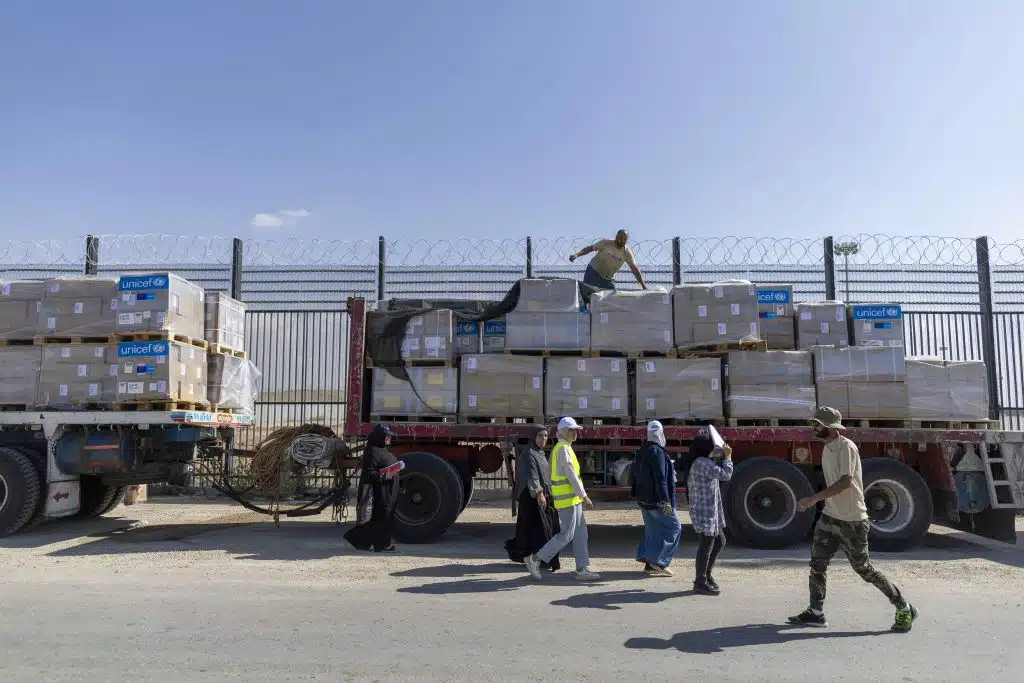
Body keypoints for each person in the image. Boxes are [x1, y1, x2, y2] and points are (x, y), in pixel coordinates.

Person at [788, 407, 918, 632]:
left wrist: (814, 499)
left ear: (828, 427)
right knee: (817, 565)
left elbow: (846, 482)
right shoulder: (827, 448)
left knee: (864, 569)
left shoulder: (846, 447)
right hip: (830, 517)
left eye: (817, 424)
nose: (813, 428)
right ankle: (816, 612)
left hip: (852, 521)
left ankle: (904, 607)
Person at [524, 417, 600, 582]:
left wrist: (580, 497)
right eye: (573, 430)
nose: (576, 433)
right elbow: (571, 476)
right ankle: (535, 559)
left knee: (581, 534)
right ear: (565, 432)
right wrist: (584, 495)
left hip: (572, 500)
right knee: (567, 535)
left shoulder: (564, 448)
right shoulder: (563, 449)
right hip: (568, 500)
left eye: (576, 430)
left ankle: (582, 568)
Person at [505, 426, 561, 572]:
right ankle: (540, 559)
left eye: (546, 436)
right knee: (540, 529)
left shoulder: (539, 453)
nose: (544, 439)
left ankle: (530, 556)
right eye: (540, 436)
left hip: (538, 495)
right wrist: (539, 494)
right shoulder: (529, 453)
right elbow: (532, 476)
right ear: (533, 437)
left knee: (532, 528)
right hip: (531, 497)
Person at [631, 420, 682, 577]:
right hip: (657, 500)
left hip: (644, 500)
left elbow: (634, 475)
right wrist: (666, 500)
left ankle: (648, 560)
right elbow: (660, 478)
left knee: (653, 530)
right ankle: (660, 562)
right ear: (660, 433)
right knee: (675, 527)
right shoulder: (657, 452)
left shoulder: (642, 449)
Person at [687, 433, 734, 595]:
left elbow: (714, 465)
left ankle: (706, 575)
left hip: (707, 510)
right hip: (704, 512)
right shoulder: (703, 463)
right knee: (706, 545)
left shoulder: (701, 461)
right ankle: (700, 582)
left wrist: (720, 453)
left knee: (720, 540)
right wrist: (728, 457)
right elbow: (726, 475)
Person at [344, 424, 401, 552]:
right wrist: (385, 475)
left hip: (388, 491)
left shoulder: (385, 450)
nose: (389, 439)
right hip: (378, 492)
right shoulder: (372, 452)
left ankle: (381, 543)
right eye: (387, 437)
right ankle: (375, 543)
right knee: (379, 518)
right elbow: (369, 473)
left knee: (386, 517)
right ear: (380, 437)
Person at [568, 229, 647, 290]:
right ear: (616, 237)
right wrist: (576, 255)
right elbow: (590, 248)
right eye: (620, 238)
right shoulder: (606, 243)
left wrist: (644, 286)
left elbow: (634, 269)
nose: (622, 240)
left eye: (624, 239)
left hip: (609, 279)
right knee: (588, 296)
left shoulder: (626, 252)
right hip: (593, 272)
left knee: (610, 300)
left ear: (627, 240)